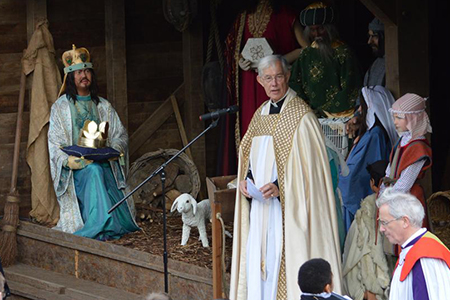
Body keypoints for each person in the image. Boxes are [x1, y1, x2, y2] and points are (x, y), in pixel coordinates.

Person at [230, 55, 342, 300]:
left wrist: (281, 187)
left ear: (288, 76)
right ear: (259, 80)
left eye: (279, 76)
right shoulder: (259, 116)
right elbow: (249, 156)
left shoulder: (302, 117)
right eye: (268, 78)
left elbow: (312, 174)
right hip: (261, 210)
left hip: (289, 212)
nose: (274, 83)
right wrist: (246, 181)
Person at [48, 45, 140, 240]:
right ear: (71, 77)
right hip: (79, 169)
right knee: (94, 171)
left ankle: (111, 222)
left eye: (87, 71)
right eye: (79, 72)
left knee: (100, 169)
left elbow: (120, 134)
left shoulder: (103, 106)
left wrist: (114, 149)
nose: (84, 75)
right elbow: (54, 142)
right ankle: (101, 225)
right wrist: (68, 161)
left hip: (103, 162)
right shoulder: (61, 107)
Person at [221, 0, 309, 174]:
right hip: (248, 83)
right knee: (249, 126)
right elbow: (231, 49)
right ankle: (249, 174)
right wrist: (239, 60)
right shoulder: (243, 17)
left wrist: (277, 63)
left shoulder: (286, 14)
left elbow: (305, 48)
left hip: (274, 82)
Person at [338, 86, 398, 230]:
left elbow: (354, 173)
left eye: (361, 107)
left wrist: (339, 173)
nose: (359, 111)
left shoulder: (374, 135)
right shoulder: (373, 132)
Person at [289, 2, 362, 118]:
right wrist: (307, 107)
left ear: (329, 29)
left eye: (320, 29)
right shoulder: (306, 54)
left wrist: (325, 111)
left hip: (337, 116)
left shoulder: (343, 52)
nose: (316, 34)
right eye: (312, 30)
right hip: (310, 114)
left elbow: (351, 87)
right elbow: (294, 82)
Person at [376, 188, 450, 300]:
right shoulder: (412, 249)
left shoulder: (425, 256)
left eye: (385, 222)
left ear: (405, 221)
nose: (381, 229)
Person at [379, 93, 432, 228]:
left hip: (408, 198)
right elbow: (389, 170)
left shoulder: (418, 147)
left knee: (409, 234)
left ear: (412, 119)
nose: (395, 122)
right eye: (394, 117)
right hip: (395, 195)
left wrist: (386, 199)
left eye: (399, 118)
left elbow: (405, 183)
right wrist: (383, 190)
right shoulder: (402, 140)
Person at [342, 160, 391, 300]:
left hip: (371, 291)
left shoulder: (365, 214)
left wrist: (368, 290)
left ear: (372, 183)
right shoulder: (401, 211)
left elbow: (359, 254)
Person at [347, 18, 386, 138]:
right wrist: (358, 117)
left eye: (374, 36)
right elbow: (363, 98)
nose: (369, 41)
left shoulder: (396, 64)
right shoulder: (374, 66)